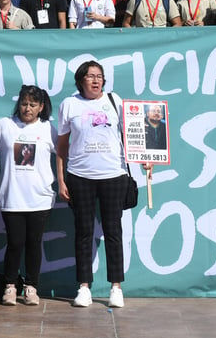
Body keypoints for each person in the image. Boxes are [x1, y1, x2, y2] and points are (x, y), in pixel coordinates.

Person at [56, 61, 150, 309]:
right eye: (91, 76)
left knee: (113, 231)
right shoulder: (69, 104)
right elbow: (62, 146)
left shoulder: (114, 100)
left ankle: (116, 287)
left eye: (100, 76)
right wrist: (62, 179)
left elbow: (132, 134)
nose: (96, 81)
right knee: (83, 233)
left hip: (113, 175)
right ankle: (84, 287)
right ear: (80, 80)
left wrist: (145, 161)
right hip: (79, 176)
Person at [0, 85, 56, 306]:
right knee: (15, 242)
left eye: (33, 105)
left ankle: (31, 287)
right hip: (11, 197)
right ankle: (10, 287)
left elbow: (66, 152)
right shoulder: (4, 125)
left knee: (34, 243)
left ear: (41, 107)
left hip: (40, 198)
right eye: (24, 103)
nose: (27, 108)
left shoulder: (48, 128)